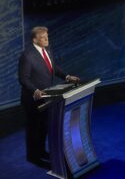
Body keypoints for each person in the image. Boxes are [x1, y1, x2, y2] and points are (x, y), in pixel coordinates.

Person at [18, 26, 79, 169]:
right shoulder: (27, 56)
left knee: (44, 127)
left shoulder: (48, 50)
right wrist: (36, 90)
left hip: (47, 97)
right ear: (35, 40)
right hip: (33, 99)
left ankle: (41, 151)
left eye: (47, 36)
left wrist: (67, 76)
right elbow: (24, 79)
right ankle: (33, 157)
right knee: (34, 128)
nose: (47, 39)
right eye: (43, 37)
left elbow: (53, 67)